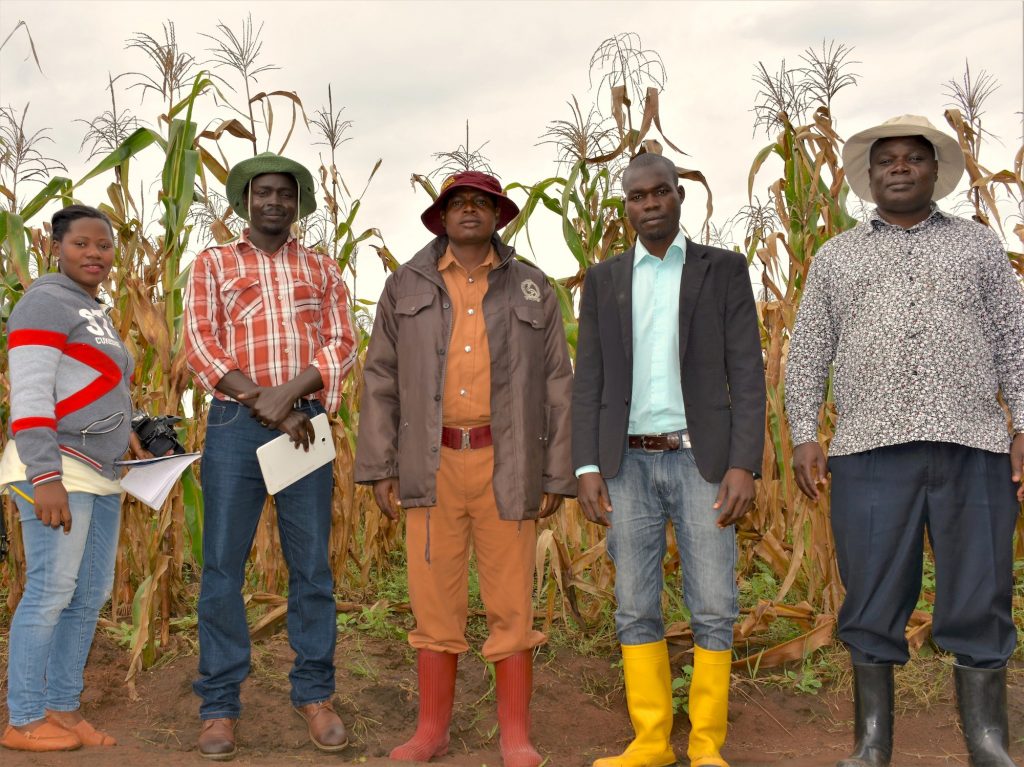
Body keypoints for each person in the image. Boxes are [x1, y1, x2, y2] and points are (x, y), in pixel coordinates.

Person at [786, 114, 1024, 767]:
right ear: (868, 176)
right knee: (870, 593)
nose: (898, 167)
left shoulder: (978, 248)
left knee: (981, 588)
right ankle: (870, 744)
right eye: (885, 159)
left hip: (972, 443)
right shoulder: (837, 257)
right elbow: (806, 353)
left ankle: (987, 739)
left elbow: (1014, 340)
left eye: (912, 158)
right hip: (868, 449)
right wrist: (805, 432)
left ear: (933, 171)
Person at [354, 170, 575, 766]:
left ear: (500, 216)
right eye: (459, 204)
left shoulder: (532, 289)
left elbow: (558, 382)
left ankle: (516, 738)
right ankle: (431, 732)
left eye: (482, 203)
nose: (471, 212)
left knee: (512, 603)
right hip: (432, 465)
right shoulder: (406, 286)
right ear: (442, 217)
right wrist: (381, 465)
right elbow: (379, 379)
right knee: (434, 601)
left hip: (509, 465)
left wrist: (556, 471)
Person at [573, 153, 765, 767]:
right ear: (625, 205)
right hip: (625, 466)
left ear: (680, 196)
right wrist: (585, 466)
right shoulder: (603, 281)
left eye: (660, 192)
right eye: (636, 196)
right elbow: (590, 380)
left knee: (712, 605)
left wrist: (745, 463)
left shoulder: (724, 271)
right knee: (635, 604)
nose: (649, 203)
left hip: (701, 462)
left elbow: (747, 373)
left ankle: (707, 745)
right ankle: (650, 741)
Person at [184, 153, 357, 760]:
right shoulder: (213, 264)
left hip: (305, 428)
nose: (275, 202)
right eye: (264, 193)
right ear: (246, 200)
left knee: (311, 566)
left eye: (286, 193)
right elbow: (201, 343)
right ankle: (220, 706)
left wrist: (291, 399)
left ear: (298, 202)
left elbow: (341, 342)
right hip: (236, 424)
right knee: (221, 569)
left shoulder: (322, 268)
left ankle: (315, 694)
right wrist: (268, 403)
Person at [1, 205, 152, 752]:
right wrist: (44, 476)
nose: (95, 254)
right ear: (55, 247)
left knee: (89, 593)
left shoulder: (94, 310)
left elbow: (93, 390)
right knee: (50, 590)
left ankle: (61, 709)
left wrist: (130, 433)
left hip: (99, 472)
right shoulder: (44, 301)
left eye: (105, 246)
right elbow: (34, 393)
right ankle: (22, 719)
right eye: (81, 244)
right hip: (55, 468)